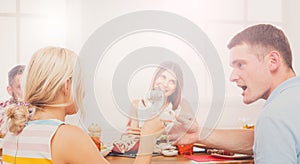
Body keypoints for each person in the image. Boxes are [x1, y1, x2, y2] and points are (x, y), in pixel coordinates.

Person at [2, 46, 164, 164]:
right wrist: (148, 137)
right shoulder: (67, 136)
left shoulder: (14, 129)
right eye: (80, 81)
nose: (83, 90)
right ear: (67, 86)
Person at [169, 24, 300, 163]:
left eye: (241, 65)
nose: (232, 77)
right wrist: (199, 134)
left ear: (272, 61)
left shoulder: (273, 117)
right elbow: (261, 140)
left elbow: (270, 132)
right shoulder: (291, 102)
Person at [112, 61, 197, 154]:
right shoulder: (137, 105)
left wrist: (149, 135)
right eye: (163, 77)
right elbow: (133, 139)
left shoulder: (183, 106)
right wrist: (128, 136)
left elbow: (196, 135)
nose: (165, 84)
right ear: (155, 77)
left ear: (176, 88)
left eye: (172, 82)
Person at [0, 65, 25, 136]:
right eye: (20, 87)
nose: (26, 90)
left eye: (27, 85)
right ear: (10, 90)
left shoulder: (39, 110)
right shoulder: (2, 110)